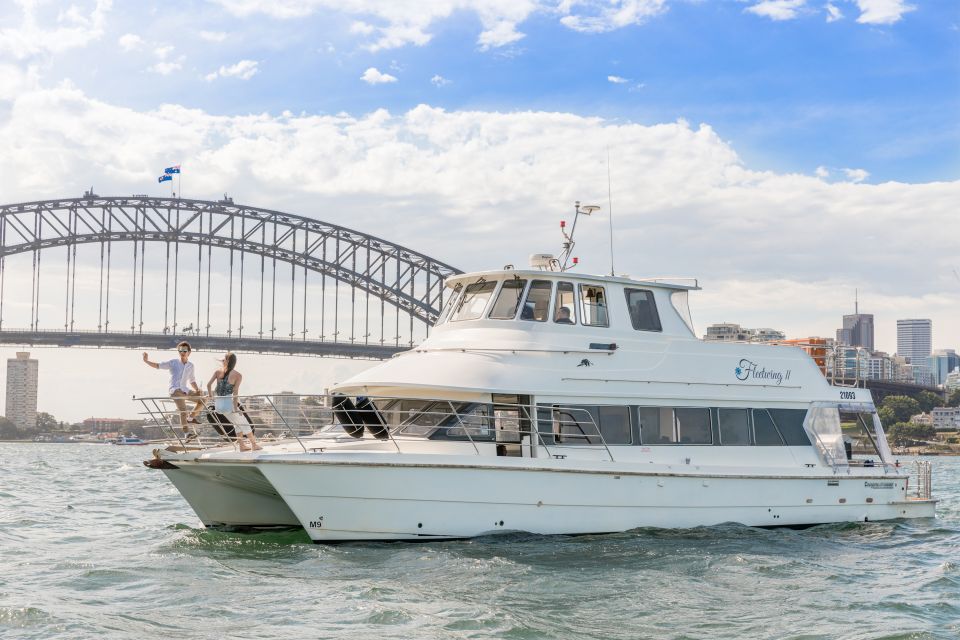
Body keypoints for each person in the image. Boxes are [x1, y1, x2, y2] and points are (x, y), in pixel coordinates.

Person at [143, 341, 203, 439]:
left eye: (184, 350)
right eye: (180, 350)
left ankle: (191, 417)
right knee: (183, 410)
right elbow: (158, 366)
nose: (182, 352)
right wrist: (146, 361)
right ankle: (187, 434)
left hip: (185, 390)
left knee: (203, 400)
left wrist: (197, 389)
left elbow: (192, 380)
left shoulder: (191, 366)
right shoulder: (173, 362)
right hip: (175, 390)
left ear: (189, 352)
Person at [207, 352, 261, 451]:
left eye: (224, 359)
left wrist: (211, 396)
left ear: (227, 361)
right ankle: (254, 445)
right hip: (228, 405)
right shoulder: (237, 375)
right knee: (245, 423)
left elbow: (208, 385)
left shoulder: (217, 372)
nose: (222, 360)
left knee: (237, 424)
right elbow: (235, 394)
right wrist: (236, 409)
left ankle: (242, 446)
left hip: (218, 405)